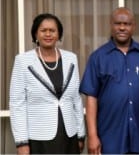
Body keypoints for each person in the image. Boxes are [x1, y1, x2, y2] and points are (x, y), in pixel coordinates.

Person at [80, 7, 139, 154]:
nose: (122, 27)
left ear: (133, 26)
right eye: (117, 23)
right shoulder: (98, 57)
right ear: (111, 25)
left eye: (126, 24)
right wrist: (92, 135)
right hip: (109, 139)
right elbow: (91, 98)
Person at [9, 13, 86, 154]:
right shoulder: (23, 61)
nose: (48, 34)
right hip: (39, 138)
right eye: (43, 30)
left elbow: (76, 98)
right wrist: (21, 142)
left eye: (52, 30)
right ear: (35, 34)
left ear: (59, 34)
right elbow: (17, 103)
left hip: (69, 136)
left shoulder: (71, 59)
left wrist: (81, 134)